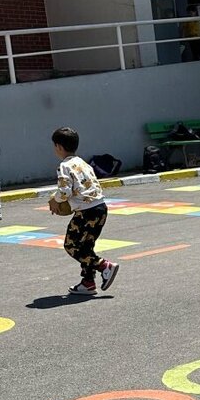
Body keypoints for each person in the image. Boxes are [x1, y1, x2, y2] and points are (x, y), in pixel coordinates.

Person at [48, 127, 119, 296]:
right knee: (86, 246)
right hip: (101, 208)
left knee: (71, 245)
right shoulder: (82, 162)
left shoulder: (64, 166)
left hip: (86, 212)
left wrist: (54, 201)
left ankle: (104, 266)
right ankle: (88, 283)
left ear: (58, 147)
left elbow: (64, 192)